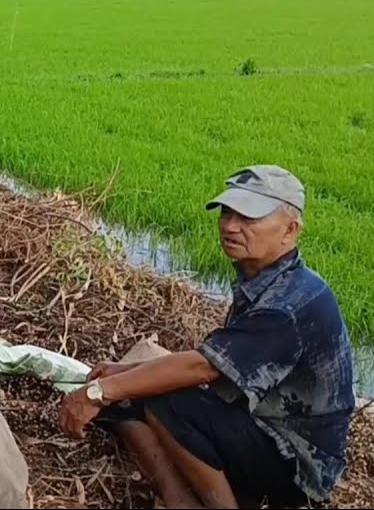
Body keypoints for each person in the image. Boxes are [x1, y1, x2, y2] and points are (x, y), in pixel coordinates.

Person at [58, 165, 355, 509]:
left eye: (248, 218)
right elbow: (215, 361)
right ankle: (177, 498)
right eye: (227, 213)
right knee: (131, 390)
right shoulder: (264, 279)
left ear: (290, 230)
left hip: (295, 465)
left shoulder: (289, 305)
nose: (229, 226)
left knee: (164, 399)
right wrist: (120, 377)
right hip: (255, 420)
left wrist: (97, 392)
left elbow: (204, 368)